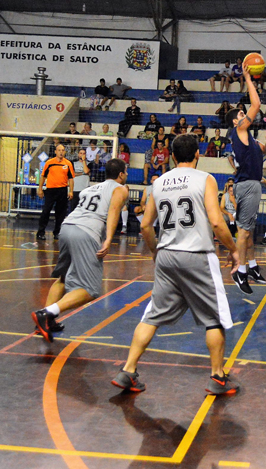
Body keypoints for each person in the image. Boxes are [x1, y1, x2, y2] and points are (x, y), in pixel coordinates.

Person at [111, 135, 241, 396]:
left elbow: (146, 225)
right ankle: (217, 376)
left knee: (152, 315)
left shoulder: (159, 183)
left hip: (167, 255)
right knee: (213, 318)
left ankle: (128, 370)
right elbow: (216, 222)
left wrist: (155, 252)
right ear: (197, 155)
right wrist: (235, 250)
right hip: (197, 254)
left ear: (171, 156)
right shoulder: (205, 179)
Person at [32, 159, 130, 342]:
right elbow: (114, 210)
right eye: (126, 171)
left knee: (62, 278)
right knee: (90, 289)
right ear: (120, 174)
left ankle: (45, 321)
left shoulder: (90, 188)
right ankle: (46, 313)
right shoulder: (121, 189)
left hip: (67, 227)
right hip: (85, 232)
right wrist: (108, 239)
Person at [225, 70, 266, 294]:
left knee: (249, 230)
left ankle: (252, 267)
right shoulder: (239, 129)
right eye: (242, 113)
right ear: (236, 120)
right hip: (248, 184)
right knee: (244, 232)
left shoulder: (249, 138)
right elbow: (256, 103)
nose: (245, 114)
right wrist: (248, 78)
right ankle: (240, 270)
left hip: (249, 183)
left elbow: (263, 152)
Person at [36, 144, 75, 241]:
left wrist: (71, 191)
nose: (61, 152)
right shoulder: (49, 163)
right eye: (59, 150)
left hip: (62, 190)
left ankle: (57, 232)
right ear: (55, 151)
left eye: (63, 150)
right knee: (46, 211)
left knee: (61, 213)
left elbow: (71, 179)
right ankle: (41, 232)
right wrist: (40, 188)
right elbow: (43, 176)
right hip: (50, 190)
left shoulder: (68, 164)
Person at [70, 148, 91, 213]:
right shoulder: (73, 163)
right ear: (78, 154)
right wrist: (83, 173)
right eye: (81, 153)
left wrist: (84, 161)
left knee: (84, 208)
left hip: (85, 189)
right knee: (73, 208)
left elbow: (86, 171)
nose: (82, 155)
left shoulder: (89, 163)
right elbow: (72, 174)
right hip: (75, 188)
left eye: (84, 153)